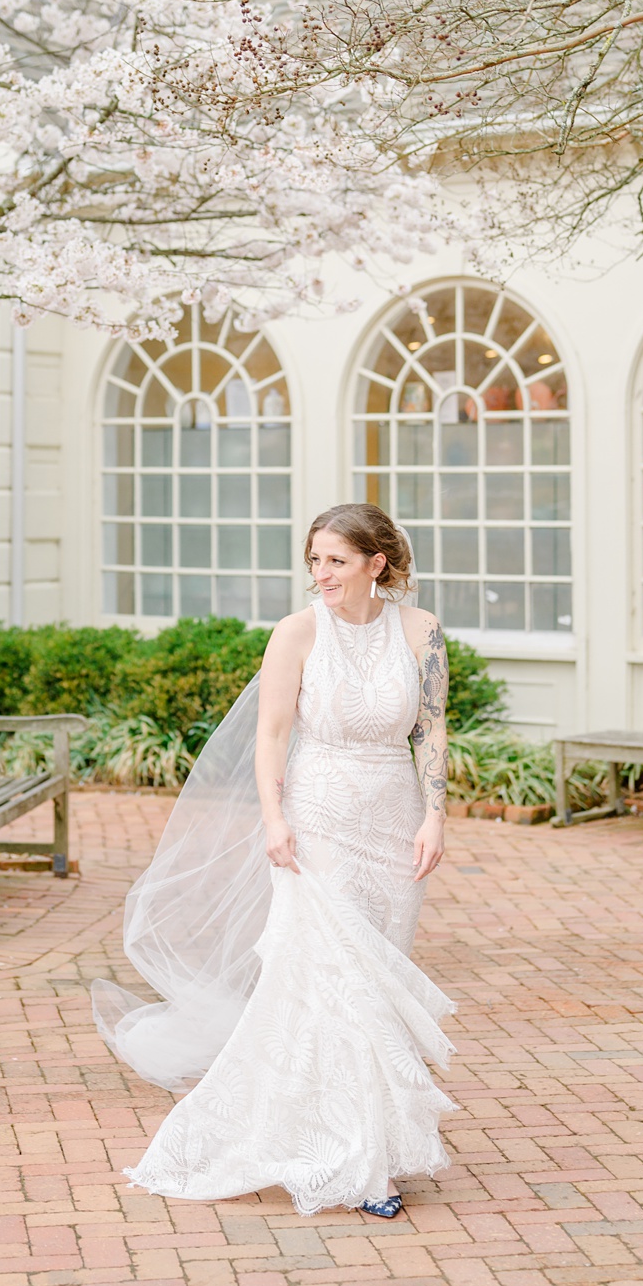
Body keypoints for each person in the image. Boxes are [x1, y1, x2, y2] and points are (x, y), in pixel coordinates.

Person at [90, 502, 452, 1218]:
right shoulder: (296, 634)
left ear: (376, 565)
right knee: (337, 986)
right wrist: (275, 818)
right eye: (313, 560)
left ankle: (358, 1134)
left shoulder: (422, 632)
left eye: (336, 561)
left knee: (376, 987)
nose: (321, 574)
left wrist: (436, 815)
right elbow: (272, 735)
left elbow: (432, 729)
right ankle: (360, 1165)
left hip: (394, 820)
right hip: (318, 819)